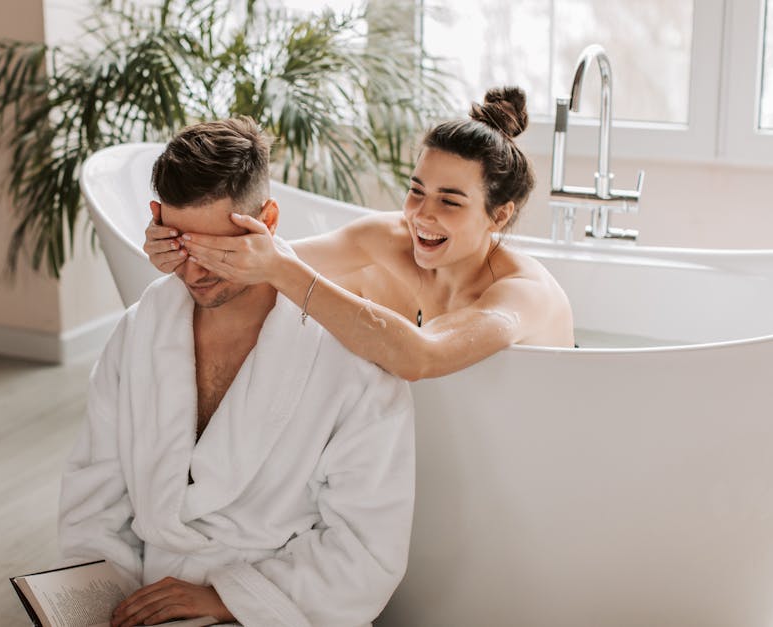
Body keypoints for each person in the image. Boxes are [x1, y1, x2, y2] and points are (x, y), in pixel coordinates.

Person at [58, 117, 415, 627]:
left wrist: (228, 599)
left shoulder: (349, 359)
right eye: (182, 245)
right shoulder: (140, 333)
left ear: (266, 220)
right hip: (140, 597)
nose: (196, 273)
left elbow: (367, 548)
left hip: (276, 607)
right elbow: (93, 498)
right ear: (157, 220)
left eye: (218, 250)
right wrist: (100, 599)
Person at [144, 87, 574, 381]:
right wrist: (179, 247)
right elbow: (258, 263)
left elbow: (421, 357)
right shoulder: (387, 239)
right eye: (416, 191)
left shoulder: (522, 295)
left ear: (498, 216)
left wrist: (279, 269)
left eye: (450, 201)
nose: (421, 216)